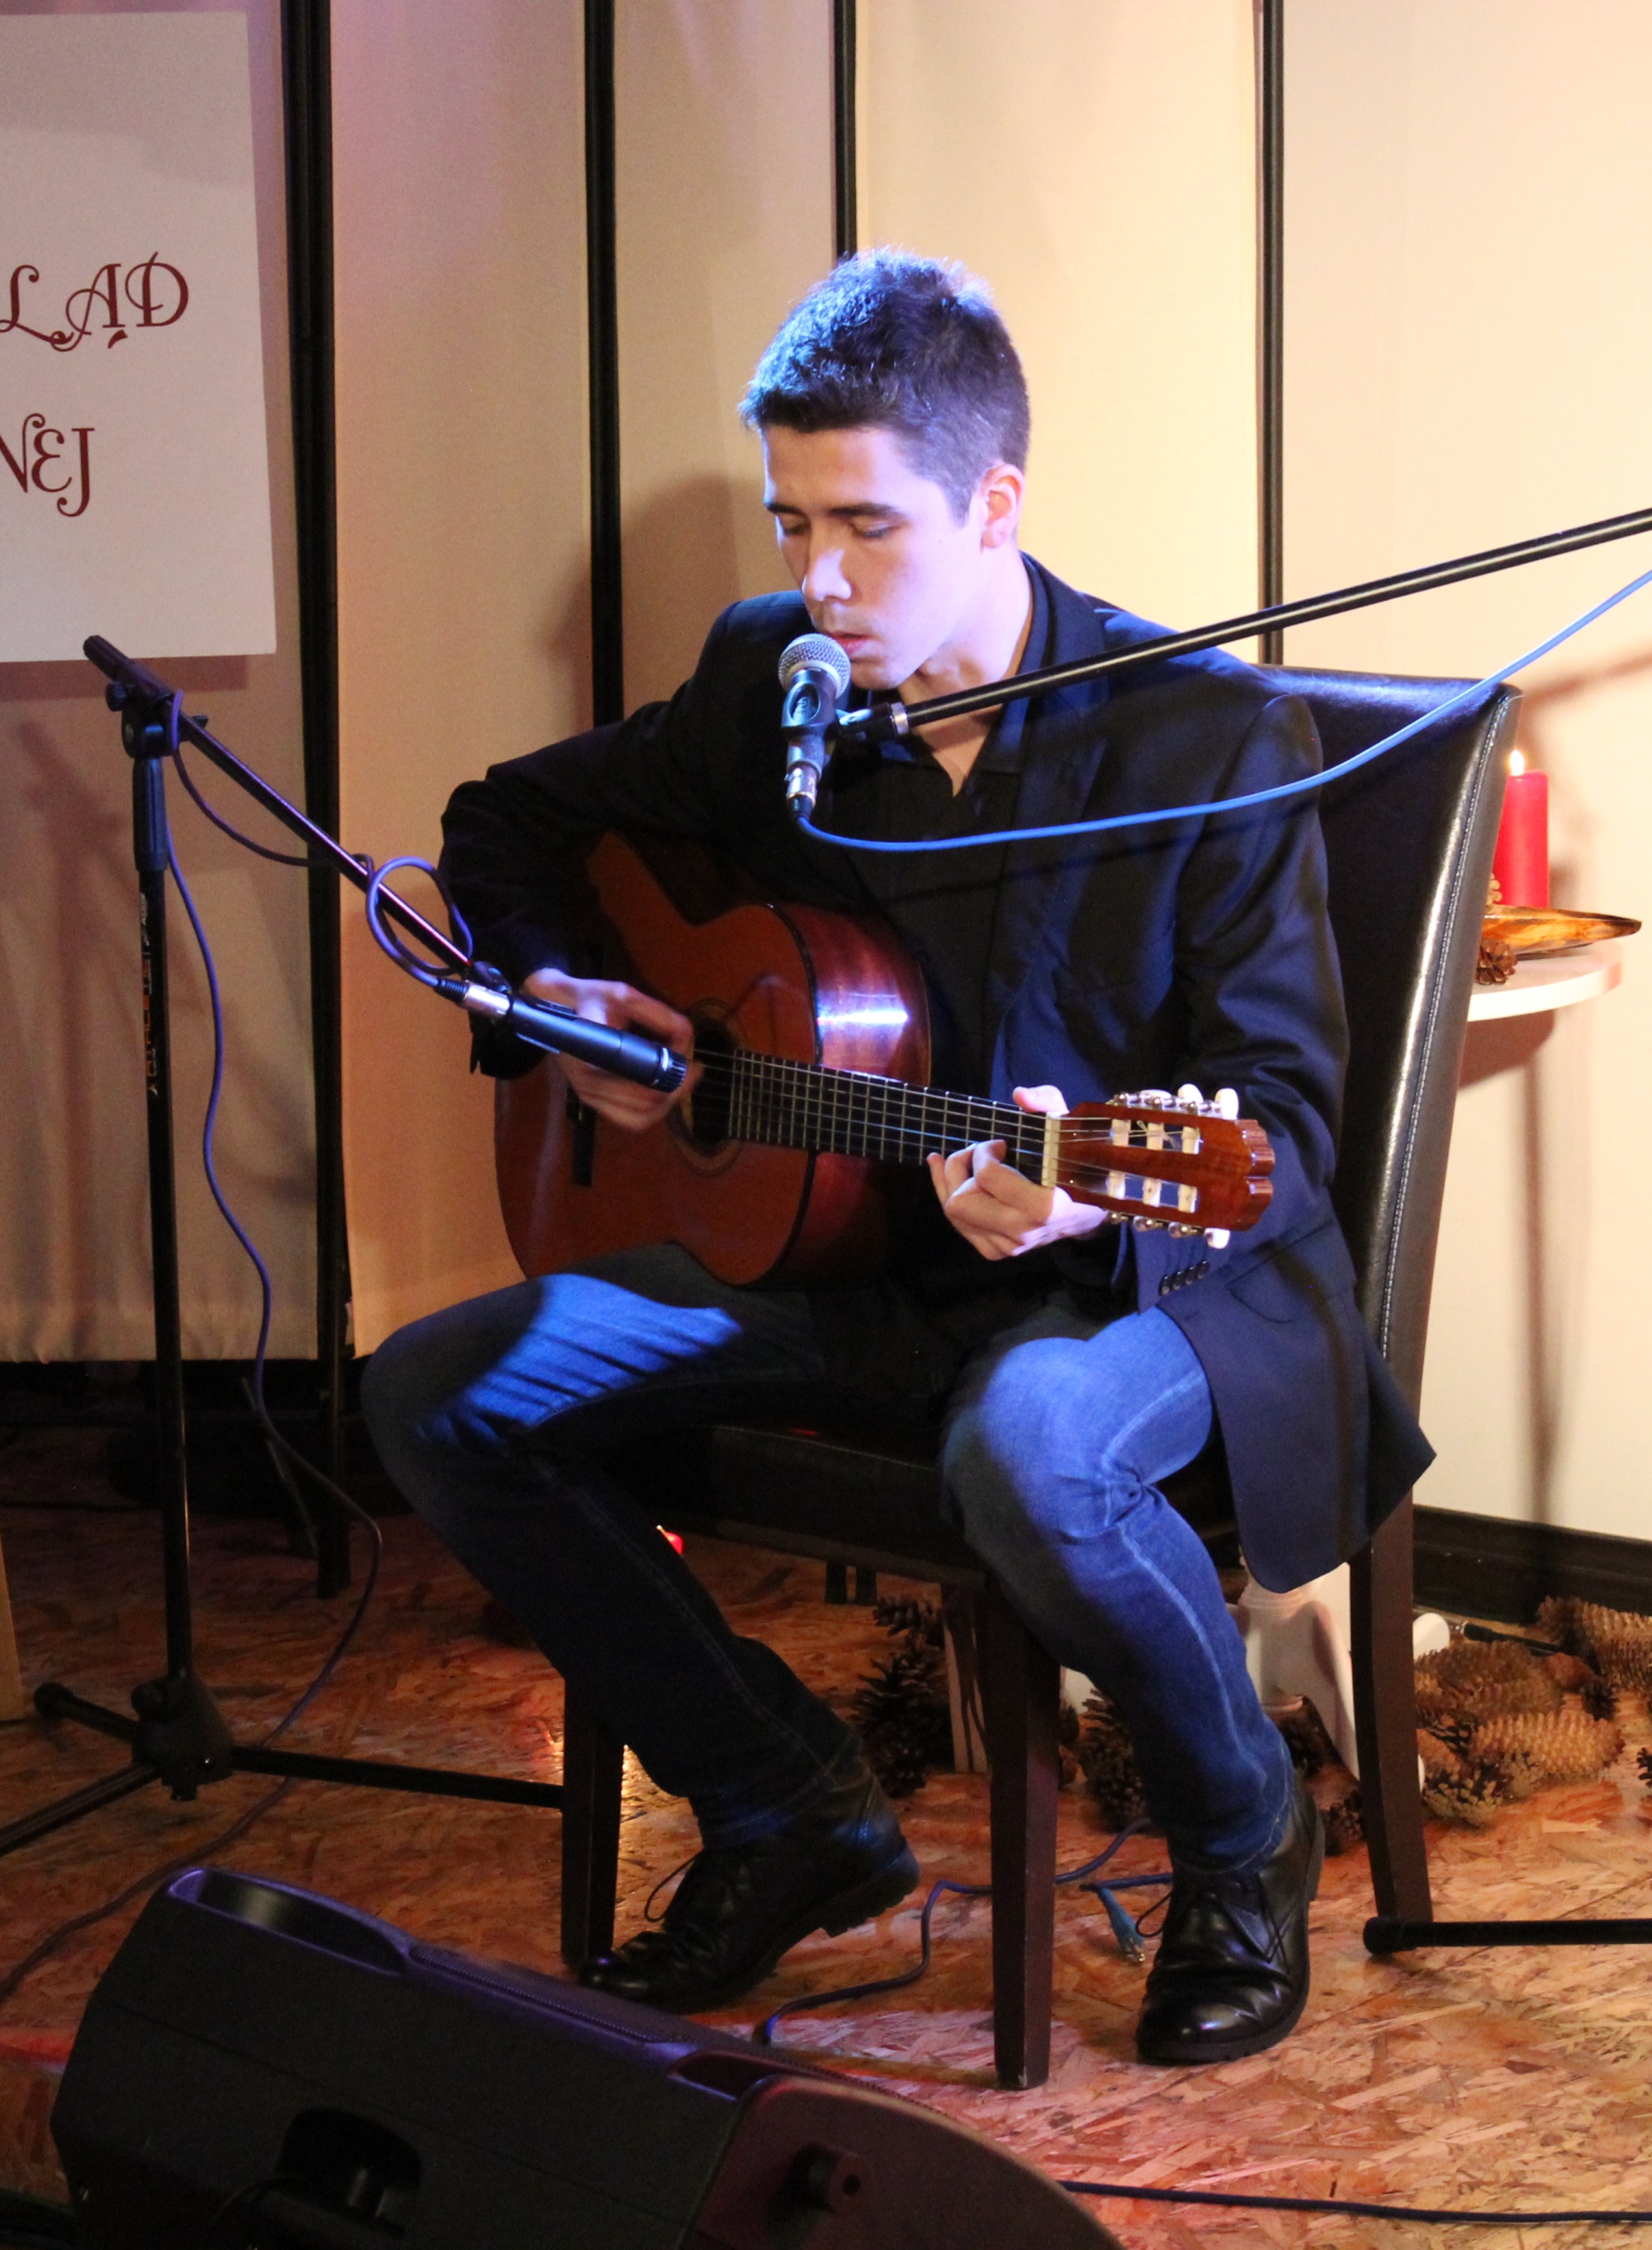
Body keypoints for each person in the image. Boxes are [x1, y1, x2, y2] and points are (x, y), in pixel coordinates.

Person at [362, 250, 1428, 2066]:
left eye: (866, 526)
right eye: (792, 524)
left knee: (1031, 1445)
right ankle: (784, 1800)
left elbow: (1288, 1126)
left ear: (994, 502)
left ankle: (1243, 1825)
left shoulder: (1205, 734)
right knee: (436, 1391)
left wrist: (1086, 1187)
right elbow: (507, 820)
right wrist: (569, 1001)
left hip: (1140, 1284)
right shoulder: (774, 684)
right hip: (845, 1260)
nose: (821, 580)